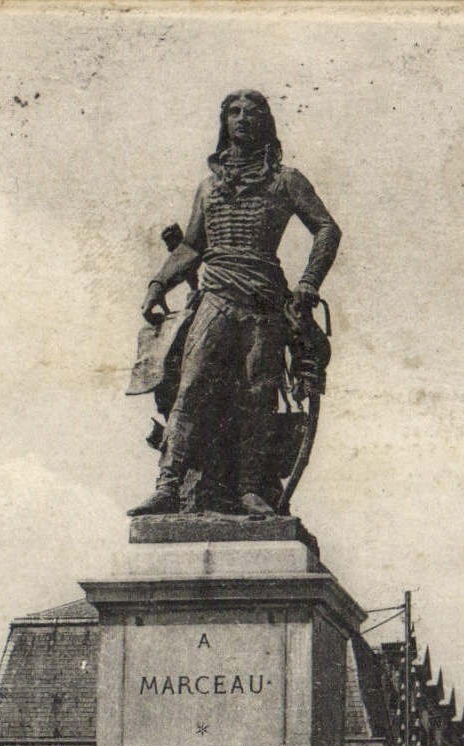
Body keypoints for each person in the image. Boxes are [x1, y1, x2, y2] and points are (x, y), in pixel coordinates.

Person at [129, 90, 340, 518]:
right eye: (234, 112)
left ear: (267, 122)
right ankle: (168, 484)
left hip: (264, 302)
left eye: (253, 112)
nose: (242, 119)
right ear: (223, 123)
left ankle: (249, 489)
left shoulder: (286, 181)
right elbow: (191, 247)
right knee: (190, 388)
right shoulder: (208, 188)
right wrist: (158, 284)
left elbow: (326, 229)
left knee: (258, 396)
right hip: (217, 296)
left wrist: (308, 284)